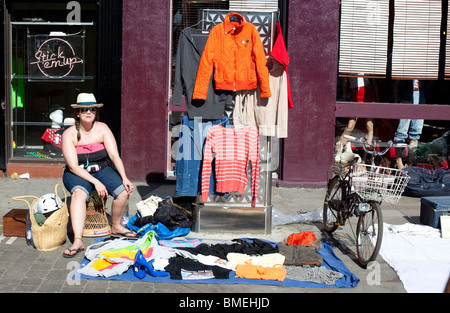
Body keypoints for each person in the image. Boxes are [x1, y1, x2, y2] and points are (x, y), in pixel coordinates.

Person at [61, 93, 135, 258]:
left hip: (101, 168)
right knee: (79, 194)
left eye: (92, 109)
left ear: (96, 113)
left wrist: (124, 177)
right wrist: (96, 182)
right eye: (84, 109)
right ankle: (78, 240)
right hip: (77, 172)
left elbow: (114, 156)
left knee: (124, 191)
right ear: (78, 113)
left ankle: (116, 225)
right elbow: (73, 166)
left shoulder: (103, 128)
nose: (89, 112)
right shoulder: (69, 134)